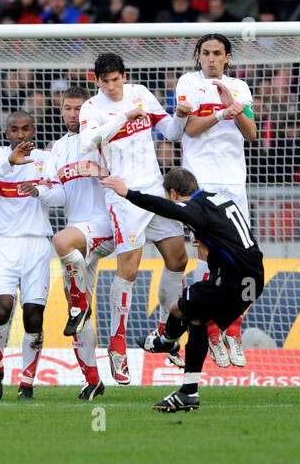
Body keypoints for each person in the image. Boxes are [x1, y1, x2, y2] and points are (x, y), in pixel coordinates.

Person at [100, 167, 263, 412]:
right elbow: (232, 238)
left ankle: (165, 341)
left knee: (178, 308)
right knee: (196, 319)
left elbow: (169, 209)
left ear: (174, 193)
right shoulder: (219, 199)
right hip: (253, 278)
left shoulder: (195, 208)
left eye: (169, 196)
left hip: (234, 280)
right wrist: (209, 241)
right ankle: (189, 392)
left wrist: (128, 194)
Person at [78, 53, 187, 385]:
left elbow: (170, 132)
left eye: (116, 79)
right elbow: (87, 143)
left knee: (178, 258)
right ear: (96, 81)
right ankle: (117, 344)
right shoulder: (92, 108)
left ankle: (166, 332)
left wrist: (180, 117)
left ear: (124, 76)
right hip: (123, 195)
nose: (112, 86)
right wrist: (124, 116)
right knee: (130, 268)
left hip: (154, 189)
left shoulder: (141, 93)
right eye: (105, 81)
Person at [18, 86, 124, 401]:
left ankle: (79, 304)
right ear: (61, 110)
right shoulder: (58, 149)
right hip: (79, 236)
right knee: (78, 318)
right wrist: (38, 191)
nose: (73, 114)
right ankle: (93, 380)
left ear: (89, 110)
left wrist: (103, 168)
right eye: (68, 108)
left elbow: (122, 175)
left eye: (79, 108)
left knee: (61, 239)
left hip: (104, 225)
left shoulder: (102, 140)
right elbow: (60, 194)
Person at [174, 33, 256, 368]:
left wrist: (236, 109)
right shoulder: (188, 83)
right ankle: (210, 332)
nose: (211, 59)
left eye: (217, 53)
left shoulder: (240, 86)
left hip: (234, 182)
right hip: (201, 184)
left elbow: (251, 133)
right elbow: (189, 128)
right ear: (198, 56)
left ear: (227, 57)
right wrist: (223, 112)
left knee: (241, 261)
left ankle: (232, 332)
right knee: (207, 259)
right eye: (205, 53)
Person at [0, 112, 53, 400]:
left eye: (26, 129)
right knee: (1, 309)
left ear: (34, 130)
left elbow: (62, 194)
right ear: (7, 134)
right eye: (14, 130)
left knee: (34, 317)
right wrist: (8, 162)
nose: (21, 135)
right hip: (3, 244)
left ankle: (27, 383)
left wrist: (41, 192)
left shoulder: (46, 159)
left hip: (38, 244)